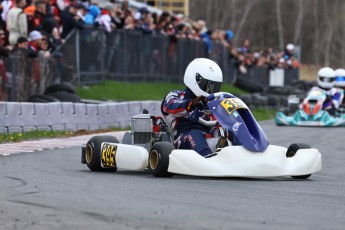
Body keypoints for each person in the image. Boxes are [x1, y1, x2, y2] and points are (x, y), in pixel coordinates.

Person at [161, 58, 223, 158]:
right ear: (196, 80)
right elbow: (170, 106)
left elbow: (218, 124)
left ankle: (245, 157)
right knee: (195, 134)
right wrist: (192, 104)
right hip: (183, 137)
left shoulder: (212, 102)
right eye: (208, 86)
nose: (211, 90)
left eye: (215, 87)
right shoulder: (176, 95)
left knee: (232, 131)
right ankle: (207, 160)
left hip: (209, 137)